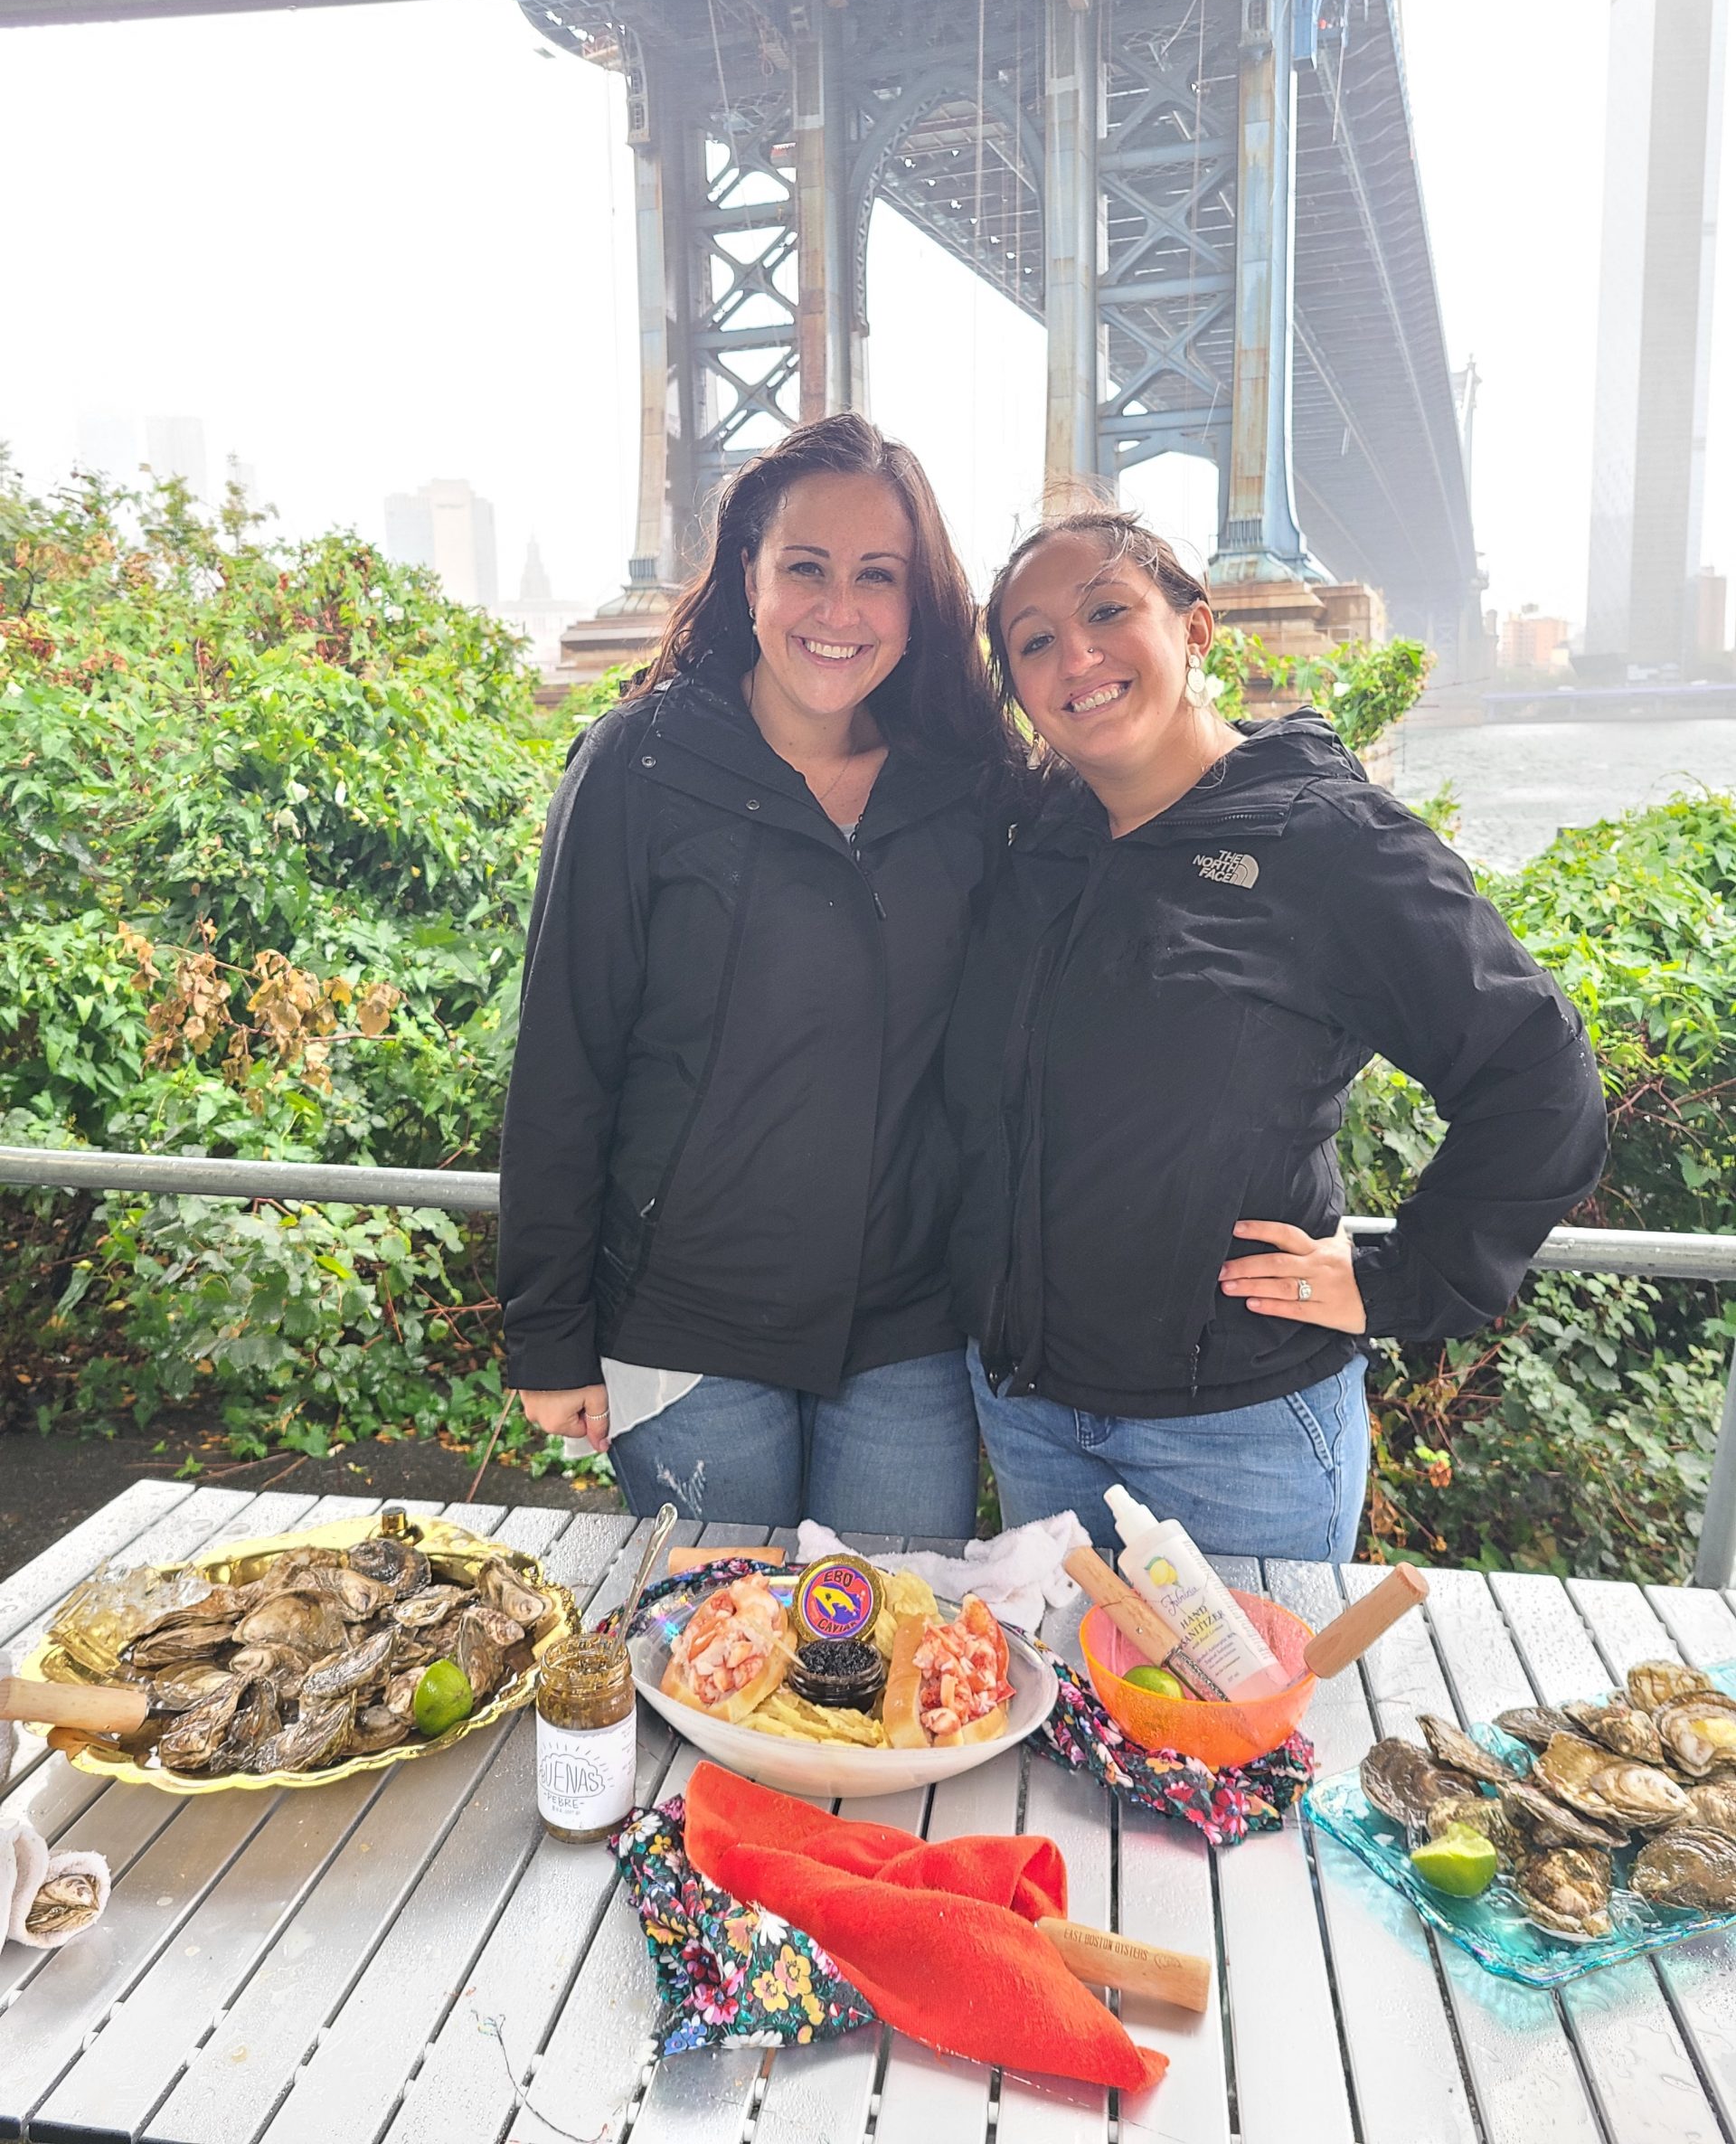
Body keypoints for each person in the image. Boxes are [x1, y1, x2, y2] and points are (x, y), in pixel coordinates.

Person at [946, 510, 1608, 1561]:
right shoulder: (1035, 852)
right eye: (1032, 641)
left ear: (1197, 630)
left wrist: (1403, 1279)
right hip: (1032, 1417)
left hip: (1236, 1438)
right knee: (1076, 1724)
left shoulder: (1328, 842)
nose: (1076, 656)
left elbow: (1540, 1075)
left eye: (1108, 611)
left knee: (1244, 1728)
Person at [498, 413, 1016, 1535]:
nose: (840, 611)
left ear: (917, 600)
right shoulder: (636, 767)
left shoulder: (967, 787)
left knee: (882, 1664)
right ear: (748, 576)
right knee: (712, 1665)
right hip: (688, 1328)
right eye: (806, 569)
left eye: (877, 577)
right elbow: (562, 1062)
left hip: (905, 1332)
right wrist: (548, 1335)